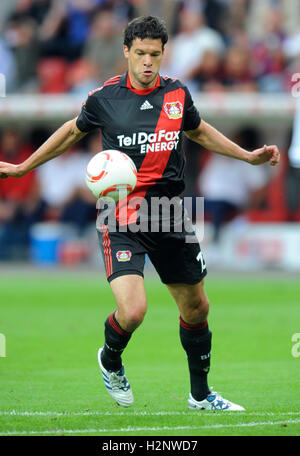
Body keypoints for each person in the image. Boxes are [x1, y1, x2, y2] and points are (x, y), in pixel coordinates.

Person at [0, 16, 280, 411]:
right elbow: (70, 131)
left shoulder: (177, 95)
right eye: (141, 54)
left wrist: (247, 156)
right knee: (133, 310)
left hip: (169, 213)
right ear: (126, 52)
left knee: (197, 307)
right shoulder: (105, 98)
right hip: (121, 215)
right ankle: (110, 359)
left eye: (155, 54)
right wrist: (23, 166)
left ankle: (200, 395)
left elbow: (199, 131)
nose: (148, 62)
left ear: (163, 53)